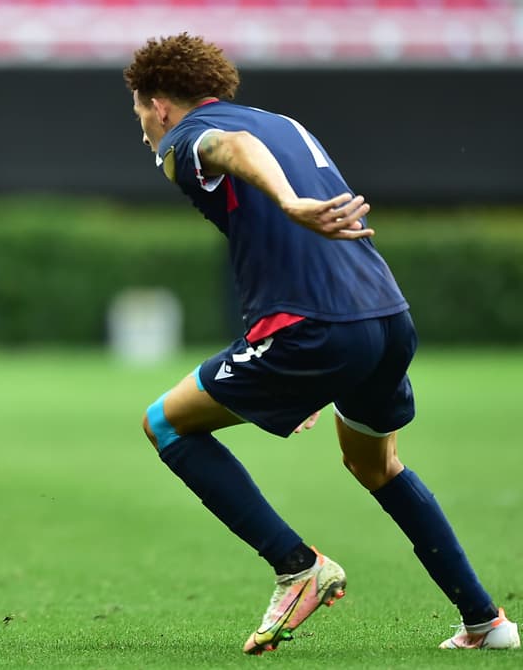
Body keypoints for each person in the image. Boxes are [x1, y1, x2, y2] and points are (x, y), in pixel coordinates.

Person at [123, 33, 519, 654]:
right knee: (375, 464)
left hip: (314, 328)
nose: (143, 128)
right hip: (385, 318)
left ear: (159, 105)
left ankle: (296, 565)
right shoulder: (283, 122)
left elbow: (229, 147)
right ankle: (486, 623)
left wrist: (287, 202)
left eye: (140, 113)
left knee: (165, 424)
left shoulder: (187, 138)